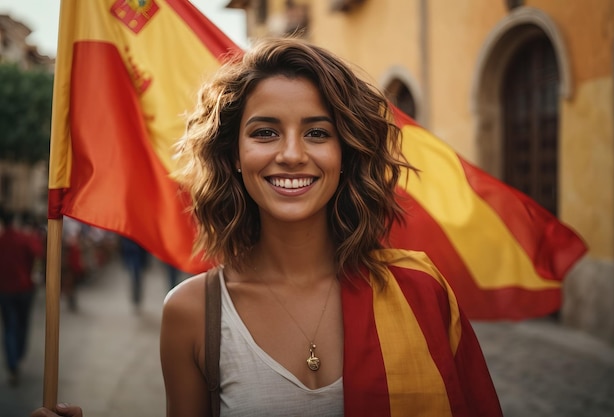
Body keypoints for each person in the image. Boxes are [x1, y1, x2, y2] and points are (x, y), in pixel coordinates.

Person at [31, 38, 502, 416]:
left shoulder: (421, 290)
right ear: (235, 156)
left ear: (345, 155)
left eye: (318, 133)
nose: (292, 153)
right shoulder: (193, 313)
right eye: (265, 132)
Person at [0, 208, 43, 386]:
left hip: (5, 290)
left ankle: (13, 362)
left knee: (9, 326)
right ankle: (19, 354)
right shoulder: (24, 238)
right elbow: (39, 254)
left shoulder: (2, 240)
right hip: (25, 288)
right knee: (23, 324)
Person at [119, 236, 150, 310]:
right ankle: (136, 295)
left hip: (138, 253)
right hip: (132, 253)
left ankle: (137, 295)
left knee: (137, 277)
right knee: (135, 276)